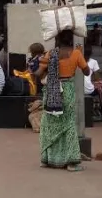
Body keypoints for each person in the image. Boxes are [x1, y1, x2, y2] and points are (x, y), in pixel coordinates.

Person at [35, 29, 90, 172]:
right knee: (68, 125)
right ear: (71, 40)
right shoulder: (76, 53)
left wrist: (42, 66)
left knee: (50, 124)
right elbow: (87, 71)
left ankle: (47, 159)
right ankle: (71, 163)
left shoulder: (50, 54)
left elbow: (38, 73)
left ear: (57, 40)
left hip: (52, 92)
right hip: (68, 91)